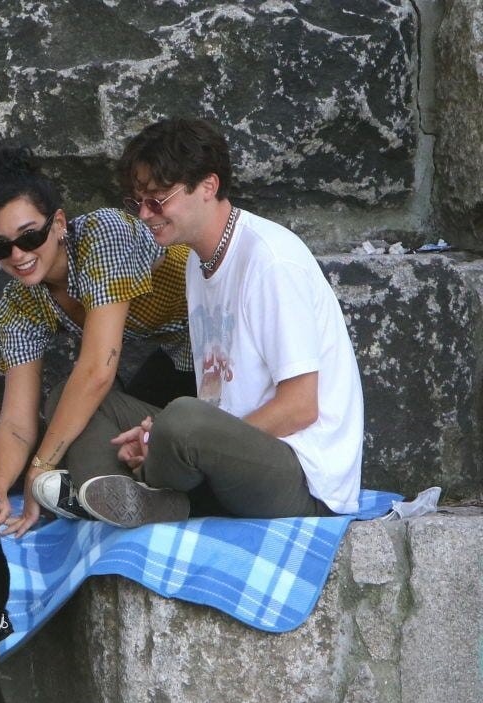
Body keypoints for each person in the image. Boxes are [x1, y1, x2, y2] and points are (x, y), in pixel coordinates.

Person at [79, 116, 363, 526]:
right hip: (227, 455)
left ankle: (150, 492)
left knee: (181, 419)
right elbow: (216, 399)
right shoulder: (198, 262)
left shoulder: (270, 261)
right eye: (137, 201)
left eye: (157, 199)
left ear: (208, 186)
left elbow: (301, 407)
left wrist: (173, 438)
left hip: (302, 478)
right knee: (90, 404)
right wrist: (156, 436)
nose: (144, 214)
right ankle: (109, 495)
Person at [0, 146, 193, 536]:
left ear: (58, 223)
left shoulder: (103, 234)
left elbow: (96, 372)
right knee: (65, 403)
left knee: (80, 406)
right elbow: (17, 419)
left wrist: (39, 467)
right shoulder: (19, 302)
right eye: (0, 247)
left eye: (31, 236)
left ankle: (126, 494)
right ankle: (122, 496)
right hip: (174, 365)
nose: (18, 255)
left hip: (220, 363)